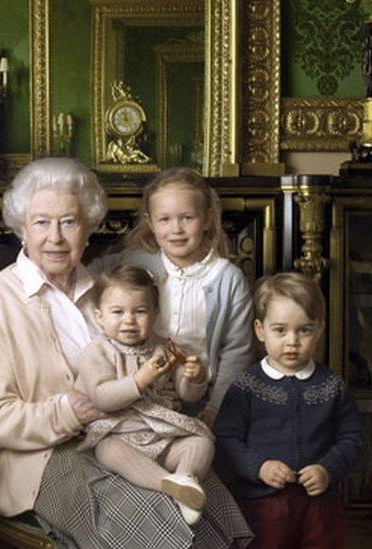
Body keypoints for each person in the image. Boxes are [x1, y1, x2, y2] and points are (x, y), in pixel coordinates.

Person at [0, 156, 251, 548]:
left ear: (88, 227)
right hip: (40, 457)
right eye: (41, 222)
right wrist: (69, 411)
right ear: (21, 230)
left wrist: (172, 382)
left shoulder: (106, 291)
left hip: (127, 431)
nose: (55, 237)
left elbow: (149, 363)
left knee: (202, 495)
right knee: (155, 515)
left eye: (69, 221)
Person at [91, 167, 253, 425]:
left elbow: (236, 354)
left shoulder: (228, 279)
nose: (176, 229)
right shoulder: (136, 262)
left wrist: (214, 409)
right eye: (164, 219)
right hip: (140, 390)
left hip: (199, 396)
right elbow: (89, 276)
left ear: (208, 218)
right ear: (150, 223)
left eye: (187, 217)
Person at [214, 272, 362, 548]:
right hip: (262, 504)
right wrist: (259, 467)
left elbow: (351, 439)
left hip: (319, 505)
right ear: (260, 330)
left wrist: (327, 469)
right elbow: (226, 439)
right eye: (280, 330)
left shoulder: (332, 385)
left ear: (319, 329)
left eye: (304, 330)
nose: (292, 341)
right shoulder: (247, 386)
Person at [77, 265, 215, 525]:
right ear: (99, 316)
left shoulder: (166, 347)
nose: (129, 320)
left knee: (201, 443)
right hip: (119, 432)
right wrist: (139, 381)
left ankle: (186, 478)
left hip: (162, 435)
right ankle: (170, 486)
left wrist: (193, 377)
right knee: (107, 450)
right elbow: (101, 397)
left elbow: (187, 397)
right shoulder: (97, 352)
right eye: (117, 312)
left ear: (155, 313)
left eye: (140, 311)